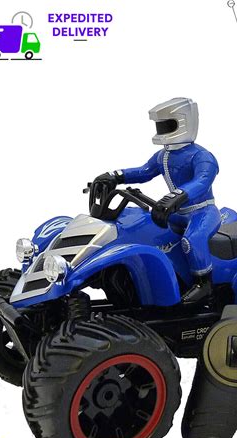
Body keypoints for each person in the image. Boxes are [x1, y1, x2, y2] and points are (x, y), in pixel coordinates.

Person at [94, 97, 221, 304]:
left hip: (202, 211)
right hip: (177, 212)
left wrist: (176, 196)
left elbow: (202, 181)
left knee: (192, 239)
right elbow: (144, 172)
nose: (161, 129)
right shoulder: (163, 156)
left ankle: (203, 284)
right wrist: (115, 175)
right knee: (144, 230)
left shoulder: (202, 156)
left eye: (166, 125)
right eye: (159, 125)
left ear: (183, 122)